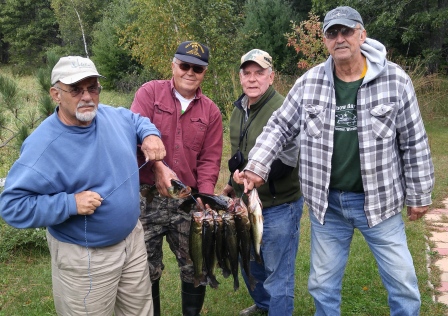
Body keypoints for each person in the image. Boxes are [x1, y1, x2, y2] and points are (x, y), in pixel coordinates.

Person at [240, 6, 435, 316]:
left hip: (380, 203)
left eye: (347, 31)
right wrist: (256, 166)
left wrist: (420, 194)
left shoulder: (395, 80)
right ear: (325, 39)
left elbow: (413, 140)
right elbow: (279, 126)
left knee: (403, 283)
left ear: (362, 34)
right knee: (322, 284)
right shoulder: (309, 82)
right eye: (333, 33)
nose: (340, 38)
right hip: (327, 206)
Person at [0, 56, 166, 315]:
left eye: (92, 88)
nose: (87, 96)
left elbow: (137, 120)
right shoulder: (42, 146)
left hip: (132, 241)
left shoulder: (112, 116)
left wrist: (151, 135)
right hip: (86, 256)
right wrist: (70, 203)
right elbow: (12, 207)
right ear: (56, 93)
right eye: (76, 90)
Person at [130, 41, 223, 316]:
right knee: (144, 267)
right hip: (147, 196)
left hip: (186, 199)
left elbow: (209, 160)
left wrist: (204, 197)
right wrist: (158, 167)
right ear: (173, 65)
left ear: (204, 72)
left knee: (197, 264)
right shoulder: (150, 93)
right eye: (184, 65)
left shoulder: (211, 111)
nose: (190, 72)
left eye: (198, 68)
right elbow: (134, 134)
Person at [221, 49, 303, 316]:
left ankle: (278, 309)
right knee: (250, 262)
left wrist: (255, 177)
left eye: (260, 73)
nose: (253, 79)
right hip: (247, 205)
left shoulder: (283, 108)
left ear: (272, 77)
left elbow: (289, 161)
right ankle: (265, 305)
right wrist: (233, 180)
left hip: (279, 205)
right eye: (247, 73)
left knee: (278, 273)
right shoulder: (238, 109)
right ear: (240, 77)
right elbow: (238, 155)